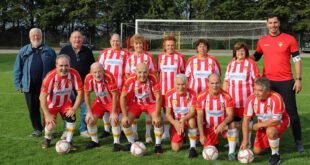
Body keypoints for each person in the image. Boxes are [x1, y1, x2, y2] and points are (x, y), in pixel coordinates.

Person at [251, 14, 304, 152]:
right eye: (270, 23)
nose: (273, 25)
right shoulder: (262, 41)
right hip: (267, 82)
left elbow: (297, 60)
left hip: (286, 82)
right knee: (267, 112)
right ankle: (269, 141)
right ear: (267, 24)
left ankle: (298, 142)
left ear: (279, 23)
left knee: (292, 112)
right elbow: (256, 56)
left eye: (275, 22)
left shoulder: (289, 39)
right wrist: (242, 55)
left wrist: (298, 79)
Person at [13, 28, 56, 137]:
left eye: (38, 35)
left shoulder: (49, 51)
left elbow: (55, 69)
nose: (36, 37)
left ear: (42, 36)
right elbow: (17, 69)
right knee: (33, 109)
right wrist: (18, 84)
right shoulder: (23, 51)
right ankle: (37, 129)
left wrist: (55, 83)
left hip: (46, 87)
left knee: (47, 108)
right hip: (29, 86)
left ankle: (48, 129)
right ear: (30, 37)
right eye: (33, 36)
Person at [240, 77, 290, 165]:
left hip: (281, 122)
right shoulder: (251, 99)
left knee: (271, 131)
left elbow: (276, 120)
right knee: (257, 151)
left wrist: (259, 125)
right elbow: (246, 120)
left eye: (260, 90)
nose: (256, 93)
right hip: (263, 125)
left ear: (267, 91)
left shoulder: (276, 98)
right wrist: (245, 140)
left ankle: (275, 156)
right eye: (255, 89)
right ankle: (271, 143)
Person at [39, 55, 84, 150]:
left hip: (65, 104)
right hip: (51, 105)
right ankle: (47, 138)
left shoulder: (74, 74)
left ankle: (68, 142)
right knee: (51, 126)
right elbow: (42, 97)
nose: (64, 68)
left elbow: (80, 92)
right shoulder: (50, 77)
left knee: (71, 118)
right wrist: (47, 114)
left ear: (69, 65)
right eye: (61, 65)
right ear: (56, 65)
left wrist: (74, 108)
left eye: (66, 65)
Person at [120, 63, 163, 154]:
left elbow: (158, 96)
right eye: (139, 72)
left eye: (145, 72)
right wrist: (124, 116)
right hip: (137, 103)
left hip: (151, 103)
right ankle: (131, 143)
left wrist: (158, 115)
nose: (142, 75)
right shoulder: (130, 80)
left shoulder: (153, 77)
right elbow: (123, 97)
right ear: (135, 72)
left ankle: (158, 145)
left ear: (148, 72)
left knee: (157, 121)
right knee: (125, 122)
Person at [223, 42, 260, 146]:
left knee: (248, 120)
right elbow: (226, 81)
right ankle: (235, 141)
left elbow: (257, 81)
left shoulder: (251, 64)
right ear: (235, 52)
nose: (240, 53)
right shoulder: (231, 64)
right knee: (234, 120)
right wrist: (224, 96)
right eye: (238, 51)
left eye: (242, 51)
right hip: (233, 99)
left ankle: (247, 141)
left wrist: (255, 97)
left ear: (246, 52)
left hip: (247, 99)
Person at [59, 30, 95, 139]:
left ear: (82, 39)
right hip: (68, 87)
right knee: (68, 109)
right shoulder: (64, 50)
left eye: (79, 37)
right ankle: (67, 130)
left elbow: (92, 68)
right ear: (70, 39)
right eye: (74, 37)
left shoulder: (87, 51)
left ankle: (83, 130)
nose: (77, 40)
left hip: (83, 87)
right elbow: (59, 67)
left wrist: (90, 84)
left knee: (84, 110)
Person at [197, 74, 237, 161]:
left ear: (220, 83)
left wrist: (223, 124)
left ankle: (231, 153)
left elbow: (230, 115)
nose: (214, 86)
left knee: (233, 125)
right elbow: (199, 117)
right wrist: (202, 135)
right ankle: (213, 142)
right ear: (208, 84)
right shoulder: (202, 96)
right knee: (210, 149)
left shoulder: (226, 96)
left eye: (217, 83)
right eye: (212, 83)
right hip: (208, 127)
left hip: (222, 125)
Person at [125, 34, 157, 141]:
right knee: (134, 110)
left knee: (148, 110)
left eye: (140, 43)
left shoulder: (149, 57)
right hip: (134, 89)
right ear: (133, 45)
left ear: (144, 45)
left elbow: (153, 72)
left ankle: (148, 133)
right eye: (136, 43)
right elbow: (127, 73)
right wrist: (133, 84)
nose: (139, 45)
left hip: (148, 88)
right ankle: (134, 132)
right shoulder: (129, 57)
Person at [84, 62, 122, 151]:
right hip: (100, 101)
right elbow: (87, 95)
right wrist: (89, 112)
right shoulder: (88, 78)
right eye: (95, 72)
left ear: (103, 71)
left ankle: (117, 143)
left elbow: (115, 95)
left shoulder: (109, 76)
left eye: (100, 71)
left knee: (114, 119)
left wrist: (113, 113)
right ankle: (95, 141)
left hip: (111, 100)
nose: (97, 74)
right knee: (90, 120)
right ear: (91, 72)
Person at [98, 33, 130, 138]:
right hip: (106, 86)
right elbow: (99, 68)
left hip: (120, 86)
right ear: (110, 41)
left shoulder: (125, 53)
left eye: (117, 41)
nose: (115, 43)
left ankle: (121, 129)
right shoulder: (104, 53)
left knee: (119, 108)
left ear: (121, 42)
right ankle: (107, 129)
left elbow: (128, 70)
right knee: (107, 108)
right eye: (113, 41)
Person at [158, 35, 186, 141]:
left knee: (180, 110)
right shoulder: (160, 57)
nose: (170, 47)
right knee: (166, 111)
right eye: (168, 45)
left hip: (177, 91)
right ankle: (166, 132)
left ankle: (181, 131)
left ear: (175, 46)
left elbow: (183, 74)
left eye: (172, 45)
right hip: (164, 90)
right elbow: (159, 72)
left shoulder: (180, 57)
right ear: (164, 46)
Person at [165, 74, 198, 158]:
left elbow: (193, 112)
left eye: (183, 84)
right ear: (175, 84)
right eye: (178, 84)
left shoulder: (192, 93)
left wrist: (183, 119)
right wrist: (174, 122)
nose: (181, 87)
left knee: (192, 121)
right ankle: (183, 136)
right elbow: (168, 113)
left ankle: (192, 148)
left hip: (187, 119)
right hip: (177, 121)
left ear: (187, 84)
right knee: (176, 148)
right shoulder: (169, 94)